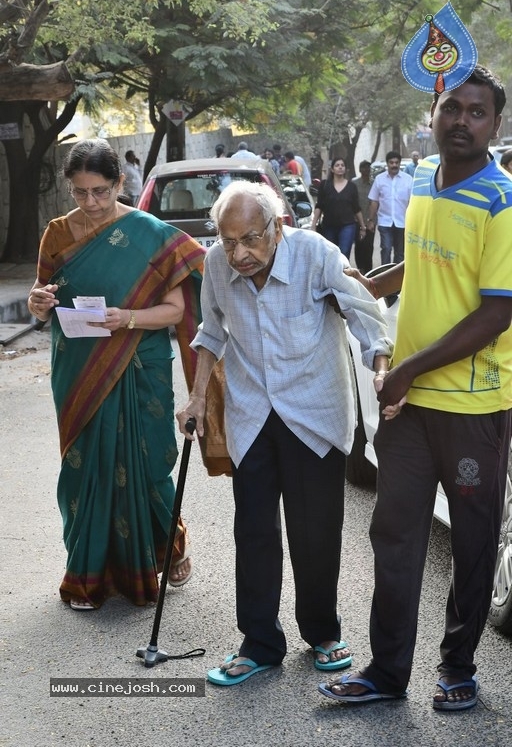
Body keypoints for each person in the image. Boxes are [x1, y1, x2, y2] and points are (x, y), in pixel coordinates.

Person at [318, 65, 512, 711]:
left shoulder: (502, 202)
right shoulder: (425, 179)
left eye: (477, 112)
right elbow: (431, 256)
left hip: (472, 406)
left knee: (472, 539)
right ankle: (386, 670)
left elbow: (495, 312)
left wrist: (407, 369)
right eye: (452, 108)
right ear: (433, 113)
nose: (462, 121)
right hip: (411, 402)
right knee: (394, 534)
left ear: (495, 124)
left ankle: (458, 666)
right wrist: (382, 282)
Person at [176, 180, 393, 686]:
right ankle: (259, 642)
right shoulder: (216, 264)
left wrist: (381, 368)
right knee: (253, 530)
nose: (239, 254)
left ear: (278, 227)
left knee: (315, 528)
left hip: (313, 410)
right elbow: (210, 331)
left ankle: (322, 632)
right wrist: (196, 396)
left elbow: (365, 313)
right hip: (251, 410)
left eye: (250, 239)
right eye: (228, 242)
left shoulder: (316, 254)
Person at [27, 139, 206, 610]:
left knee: (146, 465)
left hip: (139, 363)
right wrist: (38, 304)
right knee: (83, 466)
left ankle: (170, 546)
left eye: (101, 192)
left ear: (120, 183)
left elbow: (175, 310)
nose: (91, 204)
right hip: (79, 367)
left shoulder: (150, 234)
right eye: (80, 193)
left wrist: (126, 318)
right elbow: (42, 297)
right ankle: (86, 574)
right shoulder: (57, 234)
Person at [310, 157, 365, 260]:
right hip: (329, 226)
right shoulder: (325, 185)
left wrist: (362, 227)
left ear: (345, 169)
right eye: (337, 165)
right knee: (330, 254)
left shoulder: (351, 186)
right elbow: (319, 206)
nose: (340, 167)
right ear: (332, 169)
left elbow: (356, 208)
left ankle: (343, 274)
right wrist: (313, 225)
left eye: (342, 165)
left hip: (347, 225)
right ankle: (331, 275)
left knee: (344, 252)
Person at [367, 150, 412, 265]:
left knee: (400, 252)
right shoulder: (379, 179)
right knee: (386, 249)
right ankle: (385, 275)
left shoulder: (408, 180)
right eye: (391, 163)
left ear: (399, 163)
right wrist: (371, 220)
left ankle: (397, 278)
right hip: (384, 221)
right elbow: (374, 201)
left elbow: (412, 202)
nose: (394, 165)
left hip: (402, 222)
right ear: (387, 164)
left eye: (396, 163)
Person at [353, 160, 374, 274]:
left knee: (369, 246)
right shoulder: (354, 183)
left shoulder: (374, 184)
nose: (366, 170)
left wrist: (372, 220)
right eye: (364, 168)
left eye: (368, 168)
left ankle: (369, 270)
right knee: (359, 245)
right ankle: (360, 268)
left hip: (370, 220)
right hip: (356, 220)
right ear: (360, 170)